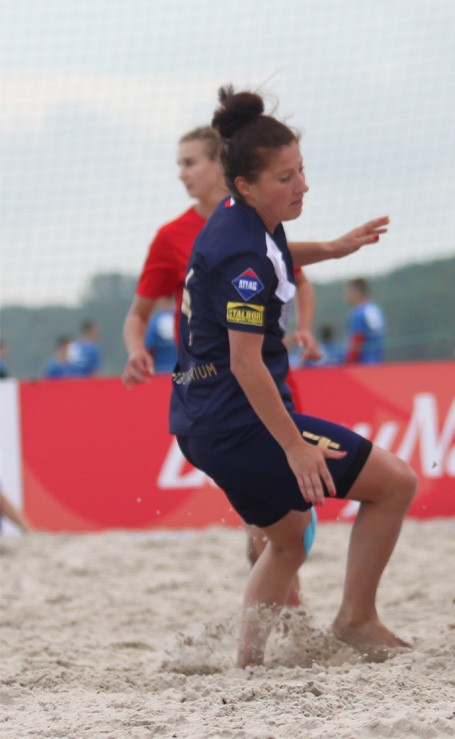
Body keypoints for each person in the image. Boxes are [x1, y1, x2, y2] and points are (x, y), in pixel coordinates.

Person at [170, 85, 416, 666]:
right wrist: (295, 448)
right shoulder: (243, 254)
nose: (302, 185)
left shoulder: (241, 217)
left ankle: (247, 666)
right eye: (286, 177)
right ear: (245, 185)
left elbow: (276, 250)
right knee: (395, 483)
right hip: (240, 424)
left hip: (200, 422)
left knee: (286, 540)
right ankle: (357, 620)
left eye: (301, 170)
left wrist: (332, 248)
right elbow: (244, 361)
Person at [121, 125, 320, 605]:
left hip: (270, 375)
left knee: (291, 519)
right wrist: (135, 348)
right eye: (179, 165)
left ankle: (286, 612)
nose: (183, 174)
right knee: (270, 524)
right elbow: (138, 313)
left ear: (221, 165)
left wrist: (303, 327)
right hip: (221, 389)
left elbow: (298, 276)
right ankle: (285, 616)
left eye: (191, 163)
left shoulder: (259, 216)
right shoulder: (173, 236)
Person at [344, 278, 385, 364]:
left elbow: (357, 340)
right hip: (377, 362)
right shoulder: (376, 309)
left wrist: (349, 363)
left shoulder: (358, 312)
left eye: (348, 292)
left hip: (362, 364)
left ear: (356, 292)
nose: (346, 296)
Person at [145, 297, 179, 373]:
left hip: (160, 376)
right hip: (185, 377)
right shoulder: (187, 320)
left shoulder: (153, 323)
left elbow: (147, 352)